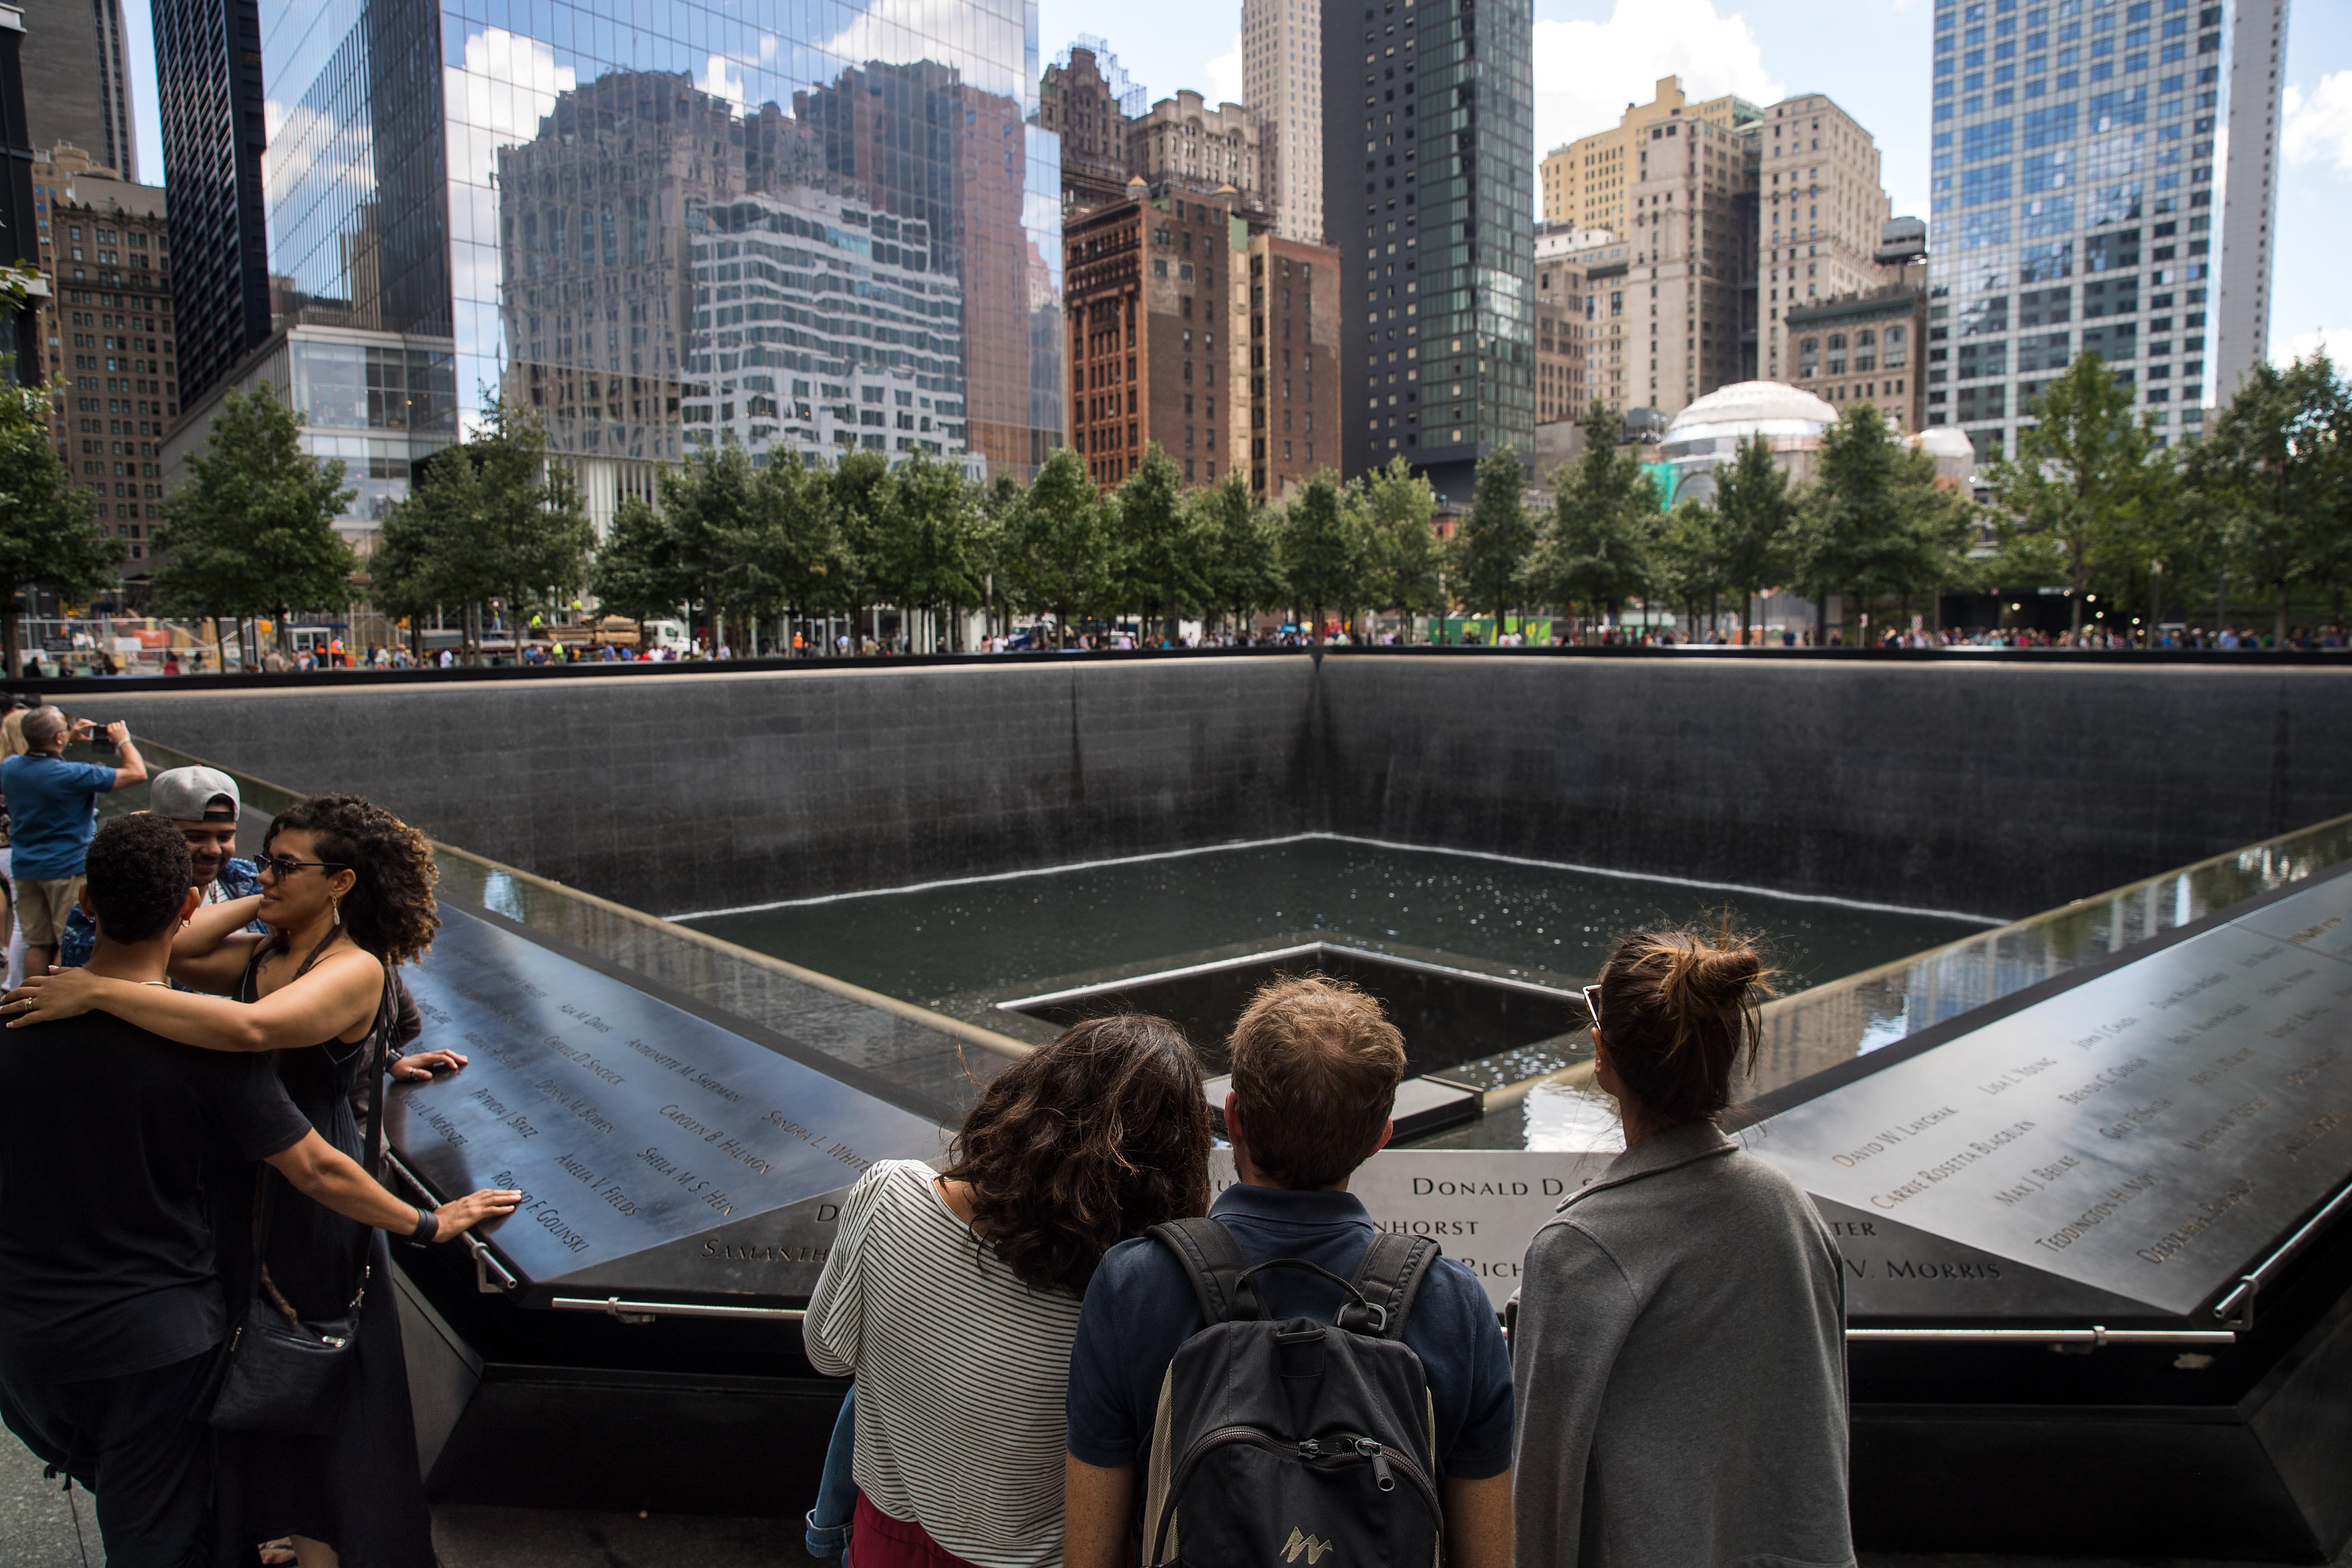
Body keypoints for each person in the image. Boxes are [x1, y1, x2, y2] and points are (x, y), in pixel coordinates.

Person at [0, 813, 517, 1568]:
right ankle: (251, 1528)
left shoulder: (355, 966)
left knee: (318, 1395)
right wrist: (258, 900)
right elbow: (174, 945)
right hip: (246, 1195)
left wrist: (97, 992)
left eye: (281, 866)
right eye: (264, 863)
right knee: (251, 1388)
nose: (260, 878)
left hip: (309, 1206)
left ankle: (326, 1546)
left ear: (341, 883)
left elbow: (253, 1030)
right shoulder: (255, 957)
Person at [1063, 977, 1516, 1568]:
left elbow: (1090, 1554)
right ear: (1381, 1138)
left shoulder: (1135, 1285)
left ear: (1233, 1117)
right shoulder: (1453, 1303)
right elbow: (1488, 1556)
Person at [802, 1015, 1213, 1568]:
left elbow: (828, 1357)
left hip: (886, 1541)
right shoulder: (1122, 1303)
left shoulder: (887, 1193)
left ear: (1030, 1093)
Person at [1510, 928, 1852, 1568]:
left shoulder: (1579, 1251)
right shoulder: (1792, 1213)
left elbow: (1544, 1502)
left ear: (1602, 1056)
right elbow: (1822, 1434)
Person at [61, 764, 264, 969]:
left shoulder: (253, 880)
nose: (213, 850)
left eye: (225, 837)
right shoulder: (113, 904)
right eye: (195, 837)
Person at [1, 706, 146, 975]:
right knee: (68, 939)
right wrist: (123, 740)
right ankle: (62, 1006)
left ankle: (34, 1003)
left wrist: (65, 739)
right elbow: (137, 773)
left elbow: (40, 764)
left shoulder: (10, 768)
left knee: (37, 943)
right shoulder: (76, 775)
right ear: (58, 738)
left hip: (26, 869)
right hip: (67, 871)